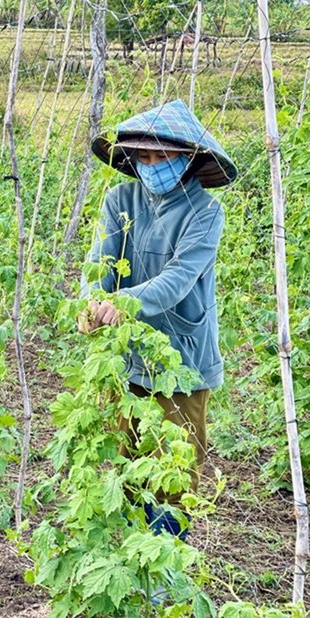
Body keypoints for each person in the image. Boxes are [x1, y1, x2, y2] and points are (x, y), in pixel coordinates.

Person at [79, 99, 237, 540]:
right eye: (142, 157)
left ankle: (165, 567)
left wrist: (123, 303)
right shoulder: (121, 199)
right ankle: (132, 556)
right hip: (125, 354)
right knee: (128, 458)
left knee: (174, 467)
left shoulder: (205, 212)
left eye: (162, 157)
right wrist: (90, 303)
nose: (151, 165)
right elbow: (100, 264)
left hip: (182, 360)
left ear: (188, 158)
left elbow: (178, 280)